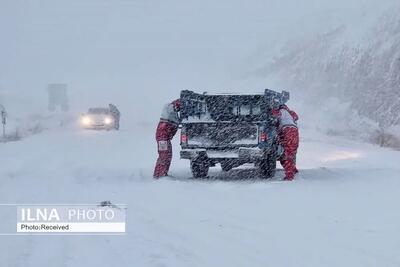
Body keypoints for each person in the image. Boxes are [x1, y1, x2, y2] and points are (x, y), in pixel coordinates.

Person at [153, 99, 181, 178]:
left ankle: (162, 173)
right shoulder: (169, 109)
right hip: (163, 139)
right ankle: (159, 175)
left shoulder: (172, 114)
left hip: (165, 138)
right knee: (164, 156)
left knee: (167, 155)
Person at [272, 104, 299, 181]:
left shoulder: (281, 111)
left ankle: (289, 175)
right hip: (295, 131)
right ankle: (293, 169)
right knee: (292, 152)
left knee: (287, 153)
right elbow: (296, 117)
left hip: (287, 130)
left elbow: (274, 115)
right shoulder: (290, 112)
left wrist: (271, 110)